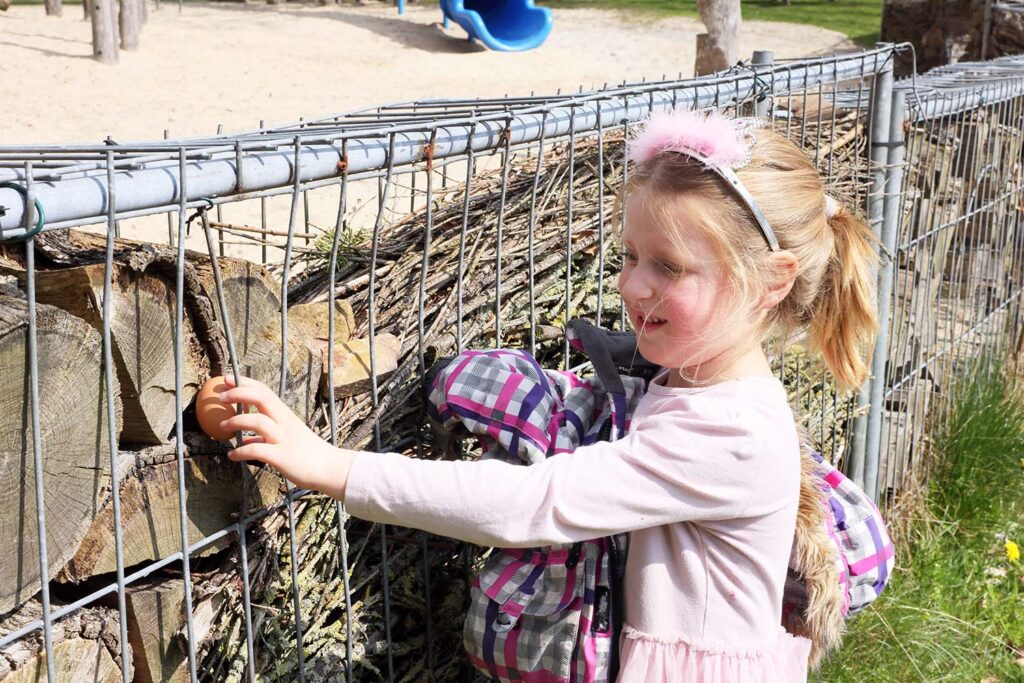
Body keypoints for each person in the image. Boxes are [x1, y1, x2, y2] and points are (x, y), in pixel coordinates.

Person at [213, 108, 878, 682]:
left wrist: (333, 465)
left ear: (770, 281)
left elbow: (532, 503)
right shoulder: (694, 383)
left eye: (668, 266)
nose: (632, 286)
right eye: (629, 256)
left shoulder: (730, 432)